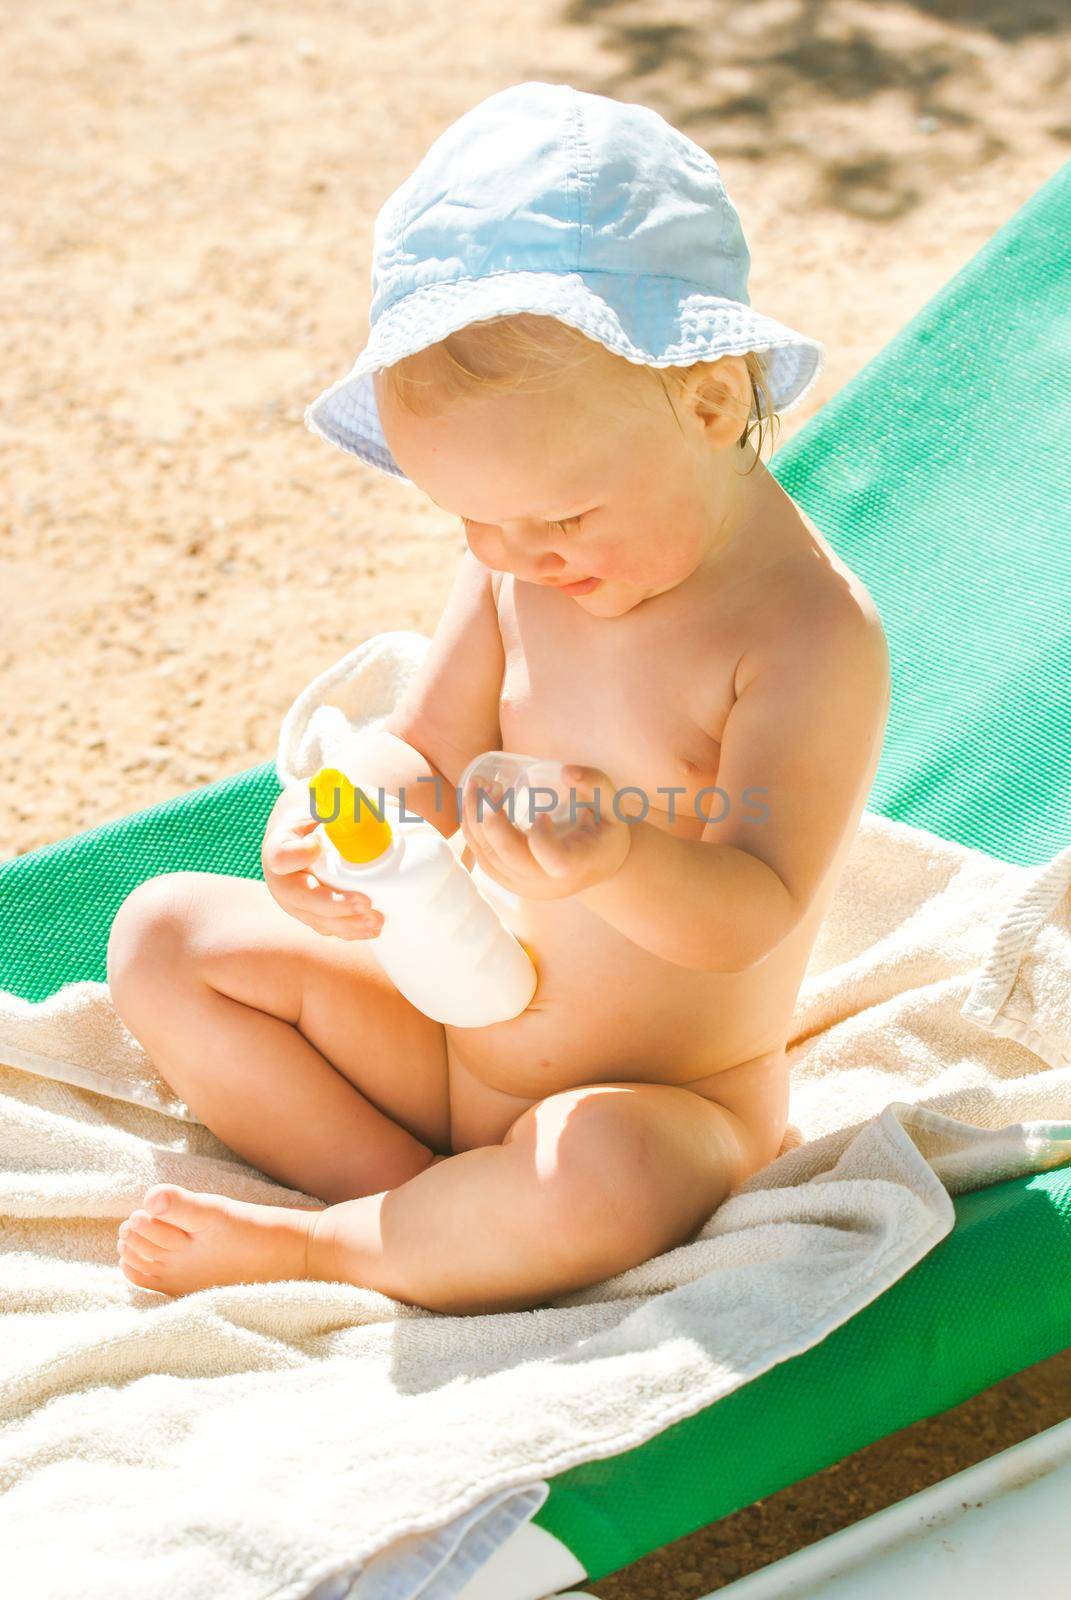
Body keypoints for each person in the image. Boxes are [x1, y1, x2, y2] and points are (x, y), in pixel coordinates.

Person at [107, 82, 890, 1314]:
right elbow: (427, 749)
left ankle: (336, 1246)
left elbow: (756, 907)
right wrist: (348, 811)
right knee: (162, 934)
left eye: (562, 516)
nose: (520, 554)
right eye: (474, 518)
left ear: (709, 402)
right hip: (454, 1022)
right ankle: (407, 1196)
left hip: (659, 1100)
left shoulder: (804, 635)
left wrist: (612, 854)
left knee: (599, 1181)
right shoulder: (519, 562)